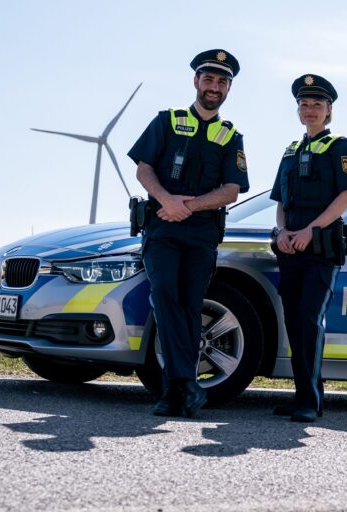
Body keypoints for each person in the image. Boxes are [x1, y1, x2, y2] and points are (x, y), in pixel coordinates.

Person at [128, 49, 249, 418]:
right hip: (162, 228)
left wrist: (189, 206)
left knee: (189, 305)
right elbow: (143, 169)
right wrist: (167, 199)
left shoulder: (231, 136)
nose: (214, 87)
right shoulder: (167, 121)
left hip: (201, 234)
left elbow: (232, 190)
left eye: (222, 82)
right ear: (196, 82)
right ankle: (185, 384)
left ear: (228, 89)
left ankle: (175, 391)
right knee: (166, 298)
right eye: (209, 79)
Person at [270, 74, 347, 422]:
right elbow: (280, 200)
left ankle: (310, 401)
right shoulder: (291, 151)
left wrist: (308, 230)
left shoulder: (340, 146)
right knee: (294, 321)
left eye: (317, 105)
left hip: (320, 248)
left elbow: (346, 195)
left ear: (329, 109)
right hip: (290, 248)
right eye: (304, 105)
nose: (310, 110)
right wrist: (281, 231)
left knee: (309, 319)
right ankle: (303, 395)